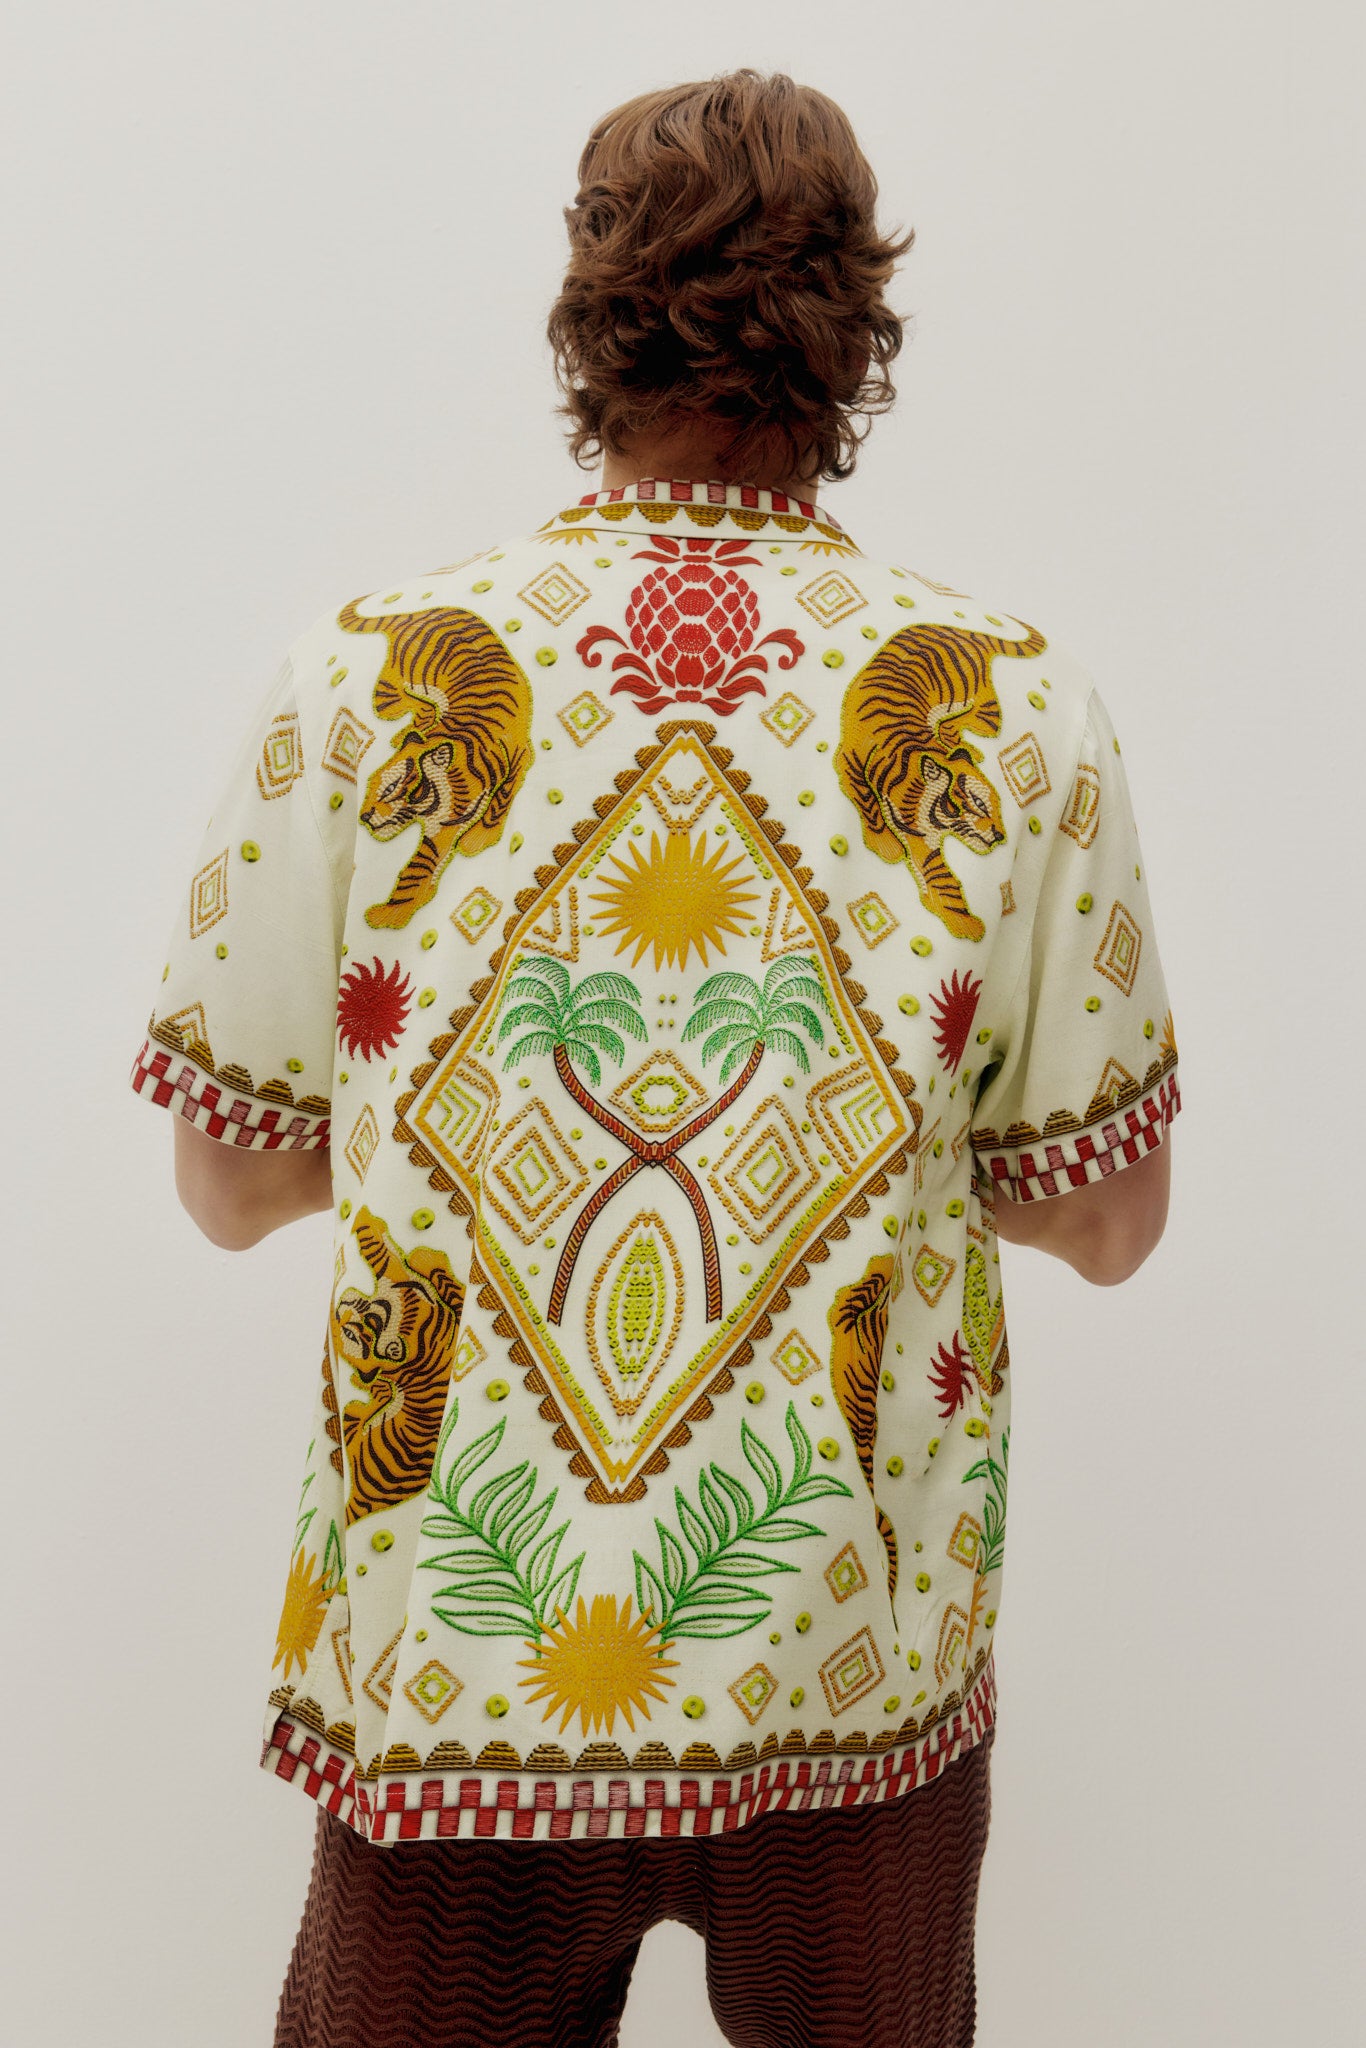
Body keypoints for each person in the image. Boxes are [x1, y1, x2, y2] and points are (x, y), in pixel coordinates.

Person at [128, 67, 1180, 2048]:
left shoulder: (363, 679)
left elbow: (231, 1180)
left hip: (457, 1669)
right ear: (855, 327)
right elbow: (1106, 1222)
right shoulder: (1008, 704)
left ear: (586, 316)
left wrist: (475, 1132)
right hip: (850, 1669)